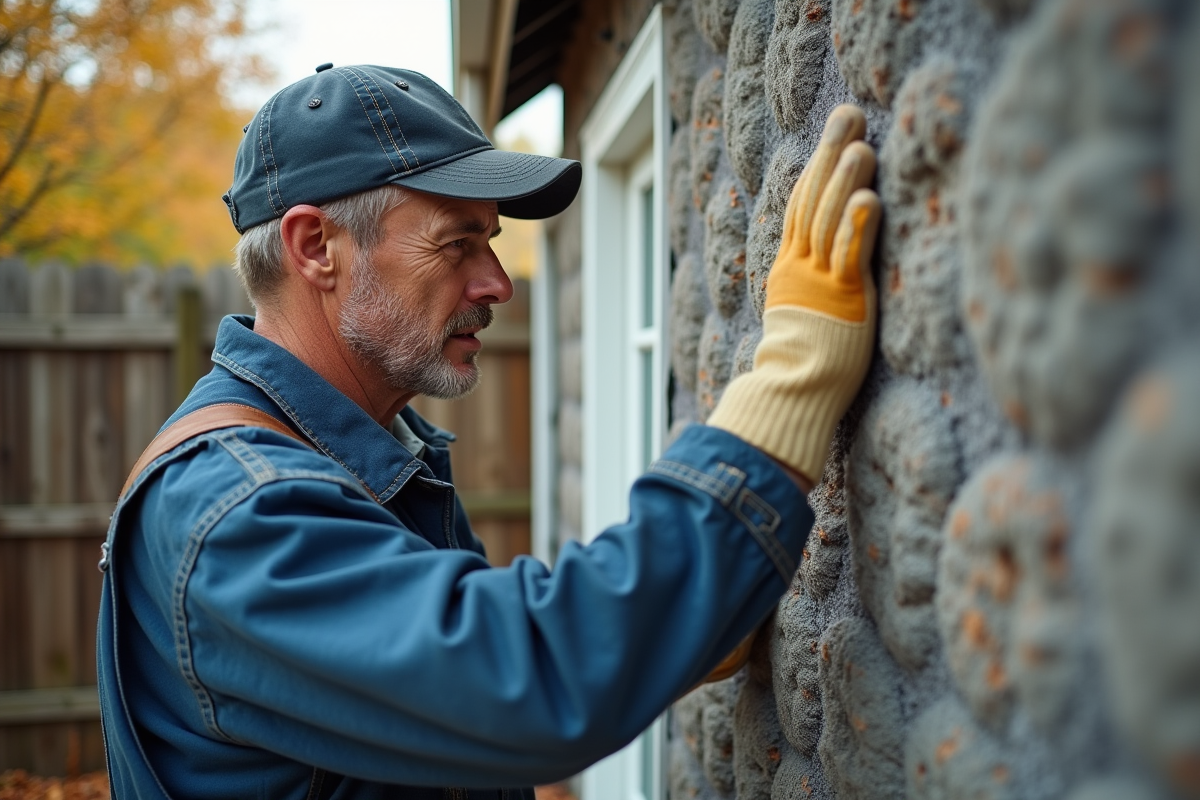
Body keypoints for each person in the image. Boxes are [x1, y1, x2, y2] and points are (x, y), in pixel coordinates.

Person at [96, 64, 881, 799]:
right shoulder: (236, 510)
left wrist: (679, 626)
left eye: (492, 241)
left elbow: (448, 695)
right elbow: (529, 683)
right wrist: (792, 381)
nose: (497, 283)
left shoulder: (360, 455)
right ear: (316, 247)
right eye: (455, 242)